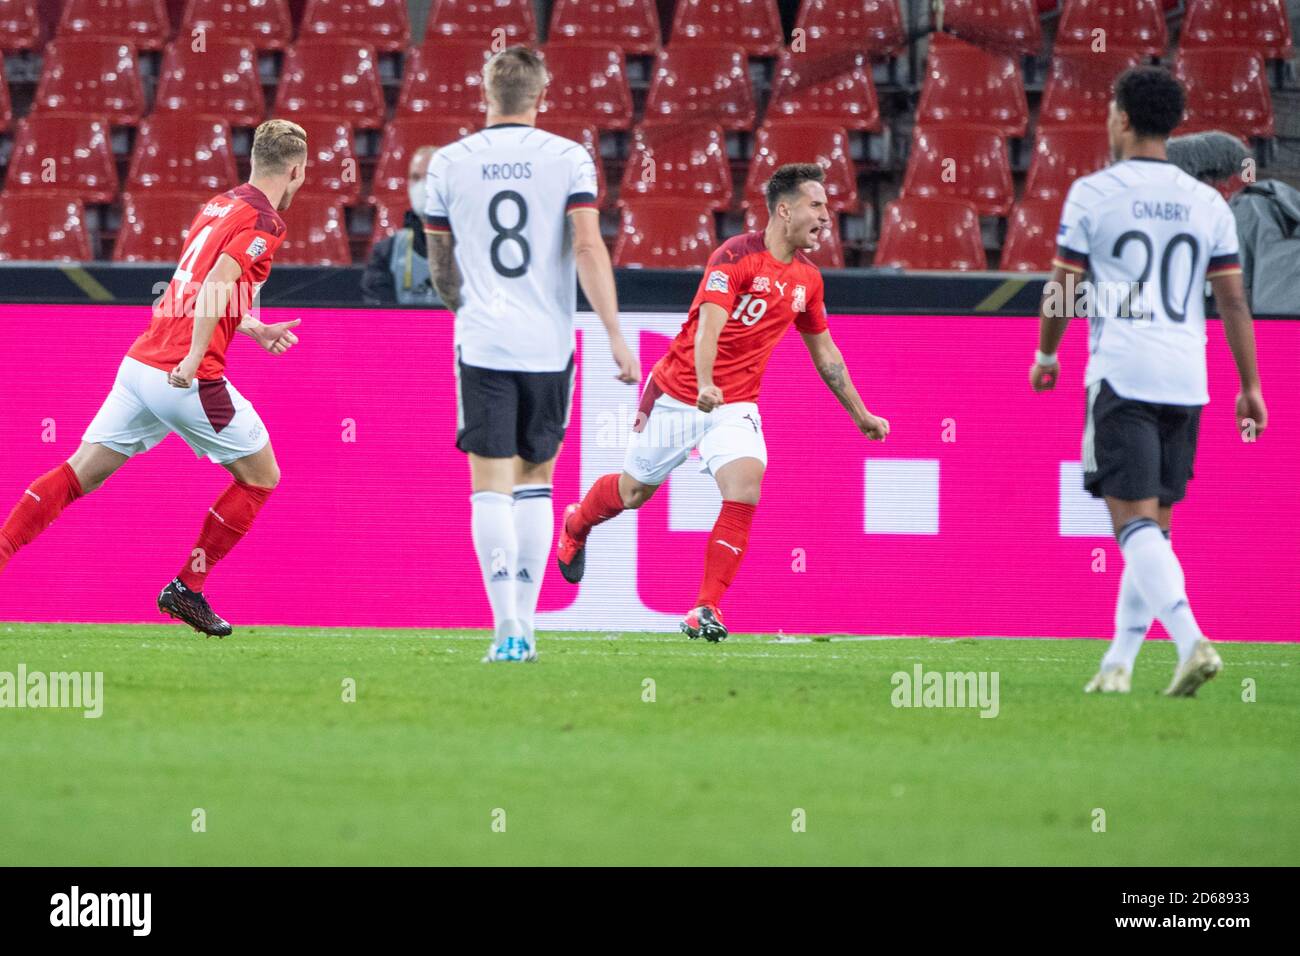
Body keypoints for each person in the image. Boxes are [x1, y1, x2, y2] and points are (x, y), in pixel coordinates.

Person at [556, 163, 890, 642]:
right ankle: (576, 523)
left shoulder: (809, 281)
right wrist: (706, 383)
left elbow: (827, 355)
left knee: (745, 486)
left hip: (734, 404)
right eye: (816, 206)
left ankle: (704, 608)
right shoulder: (734, 256)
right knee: (633, 494)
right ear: (784, 209)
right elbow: (709, 327)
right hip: (678, 392)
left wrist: (861, 415)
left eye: (826, 208)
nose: (826, 217)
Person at [0, 119, 309, 637]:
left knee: (82, 472)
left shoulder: (219, 205)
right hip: (187, 376)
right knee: (261, 477)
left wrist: (250, 327)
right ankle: (188, 588)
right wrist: (192, 358)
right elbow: (215, 283)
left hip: (140, 365)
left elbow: (193, 284)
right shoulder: (267, 222)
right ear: (297, 170)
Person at [1029, 67, 1268, 696]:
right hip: (1188, 380)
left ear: (1124, 119)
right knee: (1153, 527)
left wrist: (1047, 354)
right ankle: (1119, 663)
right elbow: (1234, 303)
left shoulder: (1092, 193)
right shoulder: (1208, 204)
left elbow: (1063, 288)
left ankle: (1192, 642)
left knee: (1130, 524)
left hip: (1123, 374)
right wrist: (1252, 386)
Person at [422, 46, 640, 663]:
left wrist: (465, 308)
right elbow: (590, 248)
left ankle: (507, 629)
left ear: (486, 92)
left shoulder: (449, 162)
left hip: (483, 342)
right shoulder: (568, 158)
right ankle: (529, 626)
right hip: (549, 345)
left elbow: (440, 266)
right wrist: (615, 335)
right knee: (537, 484)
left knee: (489, 487)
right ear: (542, 95)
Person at [361, 145, 442, 306]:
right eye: (415, 177)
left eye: (428, 177)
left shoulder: (470, 248)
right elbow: (379, 317)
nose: (422, 186)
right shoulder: (386, 253)